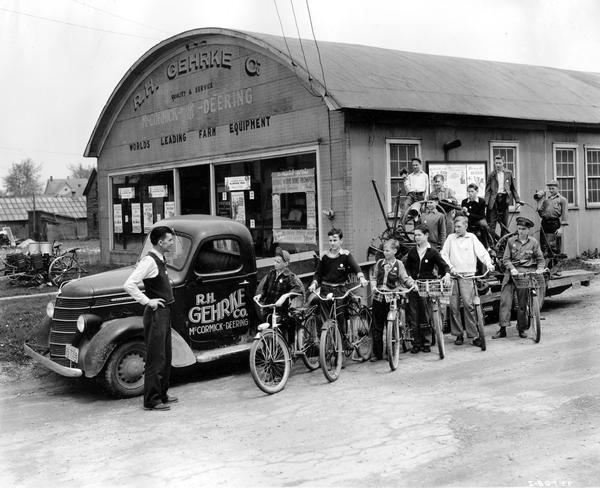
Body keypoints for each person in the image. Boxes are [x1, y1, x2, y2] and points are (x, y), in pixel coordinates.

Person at [123, 226, 178, 411]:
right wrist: (148, 301)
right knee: (156, 357)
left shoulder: (160, 259)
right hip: (156, 314)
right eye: (170, 240)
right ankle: (152, 400)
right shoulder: (149, 261)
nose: (172, 243)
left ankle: (162, 394)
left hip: (165, 313)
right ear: (160, 242)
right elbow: (129, 284)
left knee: (165, 355)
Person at [441, 216, 495, 347]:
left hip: (467, 275)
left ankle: (474, 335)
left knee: (469, 305)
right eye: (455, 226)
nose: (456, 229)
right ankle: (458, 334)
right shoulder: (450, 238)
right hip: (454, 275)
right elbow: (443, 254)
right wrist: (451, 268)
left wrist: (489, 264)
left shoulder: (471, 238)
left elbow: (482, 252)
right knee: (453, 307)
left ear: (466, 226)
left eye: (459, 226)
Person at [308, 228, 368, 334]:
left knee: (340, 317)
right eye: (330, 240)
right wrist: (314, 284)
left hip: (340, 290)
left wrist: (361, 278)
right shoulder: (324, 256)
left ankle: (344, 342)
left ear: (341, 241)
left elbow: (356, 268)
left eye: (335, 240)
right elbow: (318, 273)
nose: (332, 243)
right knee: (324, 318)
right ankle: (325, 342)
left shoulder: (346, 255)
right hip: (325, 290)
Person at [493, 217, 546, 339]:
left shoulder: (533, 242)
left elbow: (540, 259)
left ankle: (522, 328)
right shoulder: (511, 241)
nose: (520, 231)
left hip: (524, 274)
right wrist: (512, 268)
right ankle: (502, 328)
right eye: (519, 228)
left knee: (522, 303)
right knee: (505, 301)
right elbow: (506, 259)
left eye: (523, 229)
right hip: (511, 273)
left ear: (528, 230)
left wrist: (539, 269)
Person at [404, 225, 451, 354]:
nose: (416, 237)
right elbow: (406, 267)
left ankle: (426, 342)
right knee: (413, 315)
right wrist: (409, 278)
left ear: (426, 235)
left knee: (425, 314)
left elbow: (444, 266)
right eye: (415, 235)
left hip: (426, 285)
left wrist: (446, 275)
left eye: (419, 235)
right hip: (414, 286)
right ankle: (416, 343)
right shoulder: (412, 252)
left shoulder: (433, 251)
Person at [369, 239, 414, 361]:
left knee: (393, 324)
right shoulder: (379, 263)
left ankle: (391, 351)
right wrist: (373, 286)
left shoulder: (399, 264)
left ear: (394, 251)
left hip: (392, 297)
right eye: (384, 250)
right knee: (377, 325)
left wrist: (412, 284)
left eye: (388, 250)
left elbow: (404, 278)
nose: (385, 252)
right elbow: (373, 277)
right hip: (379, 296)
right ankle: (377, 353)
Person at [255, 247, 304, 343]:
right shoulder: (271, 274)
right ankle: (269, 350)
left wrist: (285, 296)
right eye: (275, 261)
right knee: (267, 331)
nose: (275, 263)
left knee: (289, 324)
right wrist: (260, 296)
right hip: (269, 308)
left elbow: (298, 289)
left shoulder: (289, 276)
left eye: (278, 262)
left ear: (285, 264)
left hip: (281, 311)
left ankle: (290, 347)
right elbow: (265, 289)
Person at [485, 155, 522, 237]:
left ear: (503, 163)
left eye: (499, 163)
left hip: (504, 200)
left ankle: (503, 245)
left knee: (504, 225)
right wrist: (486, 203)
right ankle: (493, 245)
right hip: (494, 201)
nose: (498, 165)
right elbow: (487, 190)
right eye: (496, 163)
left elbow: (513, 188)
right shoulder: (491, 175)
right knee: (491, 225)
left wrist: (518, 200)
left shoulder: (508, 173)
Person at [537, 180, 568, 258]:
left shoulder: (562, 200)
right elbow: (541, 213)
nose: (550, 190)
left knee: (554, 246)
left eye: (552, 188)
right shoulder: (546, 200)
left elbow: (565, 215)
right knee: (544, 246)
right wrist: (539, 201)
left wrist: (561, 228)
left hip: (554, 224)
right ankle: (545, 265)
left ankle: (555, 265)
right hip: (545, 223)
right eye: (549, 189)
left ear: (557, 188)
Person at [461, 183, 490, 248]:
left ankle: (488, 245)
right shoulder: (464, 202)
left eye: (472, 191)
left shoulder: (481, 201)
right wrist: (463, 211)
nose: (470, 193)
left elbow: (481, 216)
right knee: (460, 223)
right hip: (468, 220)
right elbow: (463, 215)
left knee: (484, 225)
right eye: (468, 191)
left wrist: (468, 214)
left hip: (478, 219)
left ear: (477, 191)